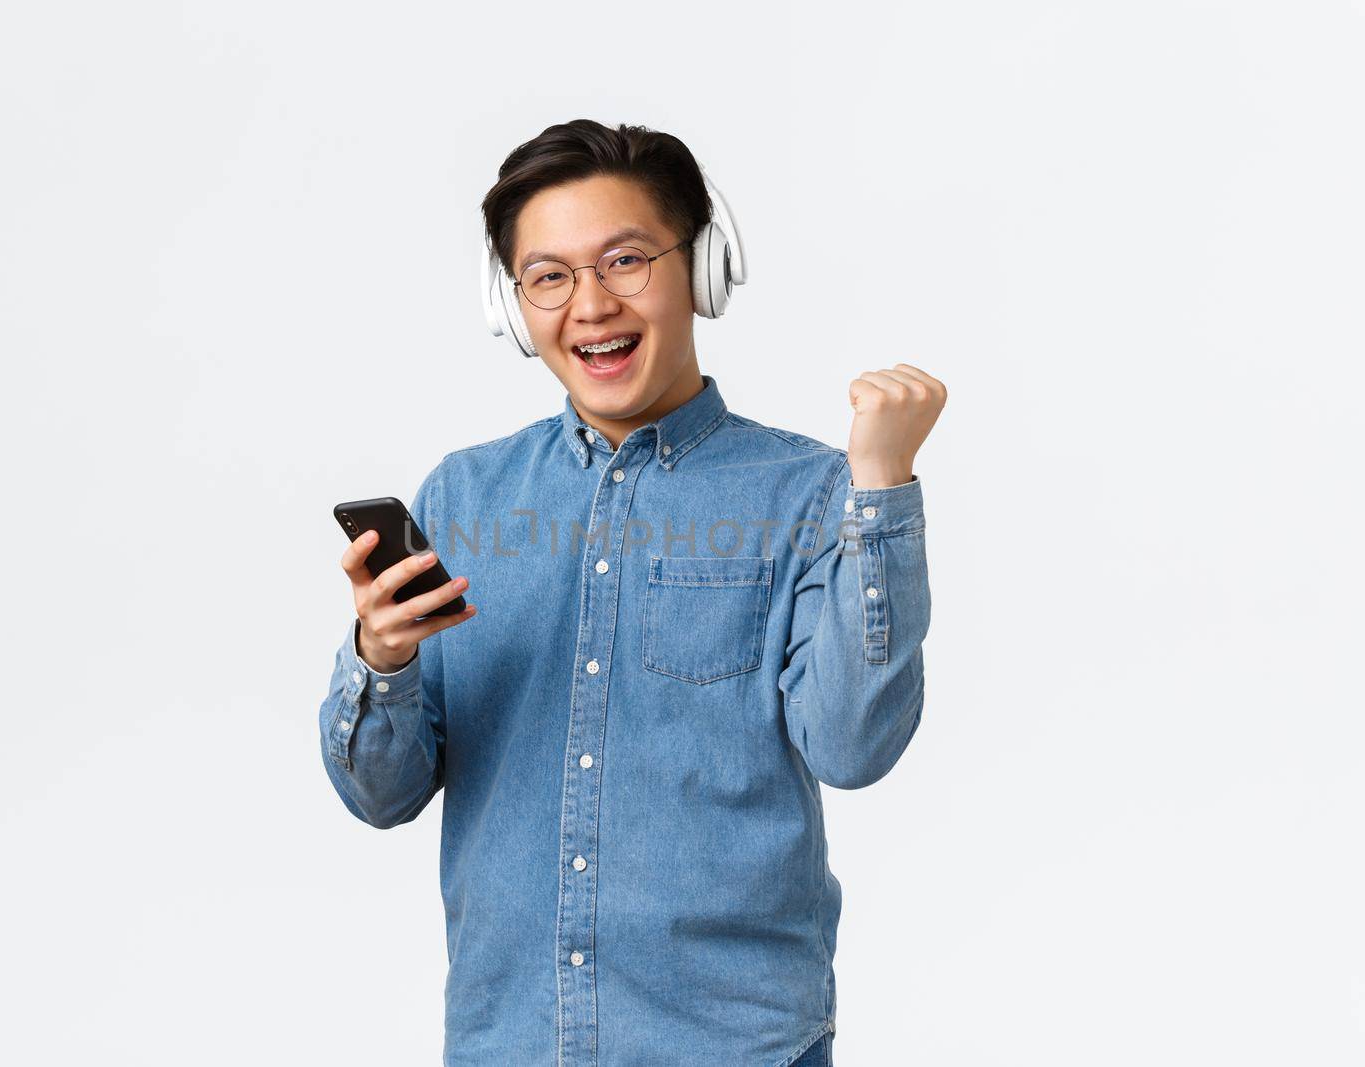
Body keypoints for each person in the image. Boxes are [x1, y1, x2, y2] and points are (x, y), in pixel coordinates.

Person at [317, 119, 946, 1066]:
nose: (590, 305)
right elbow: (382, 795)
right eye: (549, 275)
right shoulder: (467, 496)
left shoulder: (811, 492)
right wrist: (384, 658)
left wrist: (882, 492)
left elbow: (854, 748)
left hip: (738, 1048)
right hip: (511, 1044)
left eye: (625, 260)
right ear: (512, 301)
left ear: (701, 269)